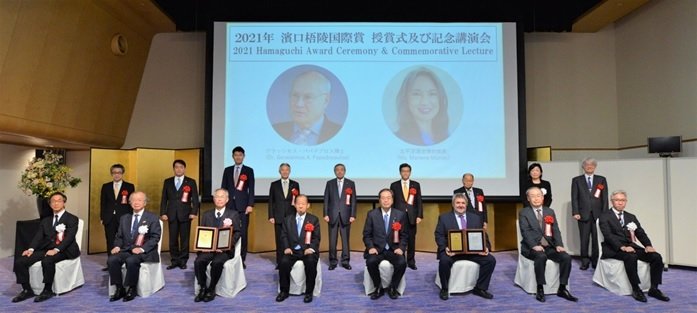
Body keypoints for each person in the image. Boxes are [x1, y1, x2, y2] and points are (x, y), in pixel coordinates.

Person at [598, 190, 670, 302]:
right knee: (631, 257)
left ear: (626, 202)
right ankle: (636, 289)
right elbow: (608, 236)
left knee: (656, 257)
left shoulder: (631, 216)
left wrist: (648, 245)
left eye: (623, 200)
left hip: (631, 247)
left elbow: (640, 232)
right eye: (617, 200)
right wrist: (622, 247)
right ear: (612, 201)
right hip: (613, 248)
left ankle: (654, 288)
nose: (620, 203)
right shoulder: (604, 216)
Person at [12, 192, 80, 303]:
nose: (56, 203)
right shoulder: (46, 220)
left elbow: (69, 238)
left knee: (47, 261)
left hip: (65, 249)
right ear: (50, 204)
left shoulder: (72, 218)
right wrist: (31, 249)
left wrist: (56, 250)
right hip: (47, 248)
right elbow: (38, 237)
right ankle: (26, 290)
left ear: (64, 203)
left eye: (59, 200)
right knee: (20, 261)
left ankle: (47, 290)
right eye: (53, 201)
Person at [519, 187, 577, 302]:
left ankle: (562, 288)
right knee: (541, 256)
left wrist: (559, 244)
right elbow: (524, 231)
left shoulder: (549, 211)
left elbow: (555, 230)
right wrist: (533, 245)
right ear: (528, 199)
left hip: (549, 246)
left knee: (566, 257)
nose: (536, 198)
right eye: (533, 196)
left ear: (543, 197)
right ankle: (540, 288)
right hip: (532, 247)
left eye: (538, 196)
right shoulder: (524, 212)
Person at [434, 193, 496, 301]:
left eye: (463, 203)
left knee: (490, 260)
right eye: (458, 203)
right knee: (444, 261)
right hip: (452, 252)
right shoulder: (444, 218)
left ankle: (480, 288)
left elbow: (483, 235)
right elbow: (438, 235)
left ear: (466, 205)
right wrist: (445, 248)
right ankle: (444, 288)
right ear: (453, 204)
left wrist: (486, 247)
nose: (460, 205)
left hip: (472, 252)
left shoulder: (476, 218)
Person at [108, 191, 162, 302]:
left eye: (139, 200)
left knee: (131, 260)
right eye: (133, 200)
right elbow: (119, 236)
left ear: (145, 203)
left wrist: (142, 248)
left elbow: (155, 238)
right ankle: (119, 288)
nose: (136, 202)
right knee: (112, 259)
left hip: (145, 251)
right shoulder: (124, 218)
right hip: (127, 249)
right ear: (129, 202)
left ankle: (131, 289)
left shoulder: (152, 218)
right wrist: (117, 246)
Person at [194, 188, 242, 303]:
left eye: (222, 197)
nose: (219, 199)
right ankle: (202, 287)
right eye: (217, 197)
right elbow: (203, 233)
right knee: (198, 261)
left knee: (217, 263)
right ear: (213, 199)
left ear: (227, 200)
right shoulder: (206, 215)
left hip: (224, 251)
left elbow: (237, 232)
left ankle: (211, 288)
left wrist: (226, 246)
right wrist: (203, 247)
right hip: (209, 250)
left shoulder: (233, 214)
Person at [272, 70, 341, 145]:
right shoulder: (275, 130)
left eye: (308, 97)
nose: (299, 104)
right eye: (295, 95)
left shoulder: (340, 133)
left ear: (325, 101)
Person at [363, 188, 408, 300]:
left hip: (394, 249)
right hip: (377, 249)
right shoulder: (372, 214)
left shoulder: (400, 215)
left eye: (388, 198)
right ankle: (378, 287)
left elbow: (404, 235)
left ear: (392, 200)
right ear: (379, 200)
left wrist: (401, 248)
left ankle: (393, 287)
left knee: (402, 263)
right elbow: (366, 235)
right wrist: (371, 247)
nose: (386, 200)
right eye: (383, 198)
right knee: (371, 261)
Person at [275, 194, 321, 303]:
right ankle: (284, 291)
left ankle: (309, 293)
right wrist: (286, 247)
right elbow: (284, 235)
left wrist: (311, 249)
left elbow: (316, 238)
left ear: (308, 205)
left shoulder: (314, 219)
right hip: (292, 250)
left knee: (310, 262)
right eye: (298, 204)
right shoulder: (287, 219)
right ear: (295, 205)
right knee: (284, 262)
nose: (301, 206)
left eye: (303, 204)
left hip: (307, 250)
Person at [393, 67, 449, 146]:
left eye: (432, 94)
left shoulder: (447, 138)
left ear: (440, 98)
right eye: (416, 94)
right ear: (405, 99)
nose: (425, 102)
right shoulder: (396, 139)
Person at [160, 159, 199, 270]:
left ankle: (183, 260)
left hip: (186, 214)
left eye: (181, 167)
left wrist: (193, 212)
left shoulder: (191, 182)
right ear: (173, 169)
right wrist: (163, 212)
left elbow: (195, 199)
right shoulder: (167, 181)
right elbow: (164, 199)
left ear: (184, 169)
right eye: (176, 167)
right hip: (171, 214)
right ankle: (174, 260)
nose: (179, 169)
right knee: (173, 239)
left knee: (184, 239)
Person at [571, 157, 608, 270]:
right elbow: (574, 198)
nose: (589, 166)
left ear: (595, 167)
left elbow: (605, 198)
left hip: (598, 215)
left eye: (592, 164)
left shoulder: (601, 179)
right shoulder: (576, 180)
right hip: (582, 215)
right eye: (587, 164)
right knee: (584, 239)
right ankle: (585, 261)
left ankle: (595, 261)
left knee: (596, 240)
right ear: (583, 167)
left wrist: (605, 214)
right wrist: (575, 212)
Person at [221, 146, 255, 267]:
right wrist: (223, 203)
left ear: (243, 156)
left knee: (243, 232)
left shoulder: (249, 170)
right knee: (228, 231)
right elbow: (223, 188)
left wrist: (250, 205)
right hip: (229, 206)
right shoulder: (227, 170)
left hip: (243, 207)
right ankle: (229, 255)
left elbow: (251, 189)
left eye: (240, 155)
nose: (238, 157)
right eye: (236, 155)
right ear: (233, 156)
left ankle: (241, 259)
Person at [100, 164, 135, 271]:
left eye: (119, 172)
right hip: (109, 217)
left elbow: (131, 203)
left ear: (122, 173)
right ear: (112, 174)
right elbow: (103, 203)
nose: (117, 175)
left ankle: (122, 261)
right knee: (110, 240)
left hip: (124, 218)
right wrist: (102, 217)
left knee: (124, 240)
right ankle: (111, 262)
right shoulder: (106, 186)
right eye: (114, 172)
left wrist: (131, 218)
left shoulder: (129, 186)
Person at [323, 163, 356, 270]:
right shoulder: (330, 183)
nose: (339, 171)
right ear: (334, 171)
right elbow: (326, 199)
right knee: (332, 240)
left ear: (345, 171)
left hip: (346, 216)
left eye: (341, 170)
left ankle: (345, 261)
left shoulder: (350, 183)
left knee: (345, 240)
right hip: (332, 216)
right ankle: (333, 261)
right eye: (337, 170)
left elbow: (353, 201)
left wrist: (353, 215)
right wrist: (325, 214)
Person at [389, 163, 422, 270]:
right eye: (403, 171)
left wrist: (419, 216)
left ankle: (411, 261)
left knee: (411, 240)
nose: (405, 173)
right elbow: (392, 202)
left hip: (412, 217)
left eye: (407, 171)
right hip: (398, 217)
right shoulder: (394, 185)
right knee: (398, 239)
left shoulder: (415, 185)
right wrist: (392, 216)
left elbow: (419, 201)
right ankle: (400, 259)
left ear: (410, 172)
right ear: (400, 172)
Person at [269, 163, 300, 268]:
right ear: (279, 171)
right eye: (283, 170)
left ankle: (290, 260)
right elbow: (271, 202)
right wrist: (271, 216)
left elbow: (297, 202)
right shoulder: (274, 184)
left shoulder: (295, 184)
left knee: (291, 238)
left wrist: (297, 215)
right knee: (279, 240)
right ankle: (280, 262)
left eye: (287, 170)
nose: (285, 171)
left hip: (291, 217)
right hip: (278, 216)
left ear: (289, 171)